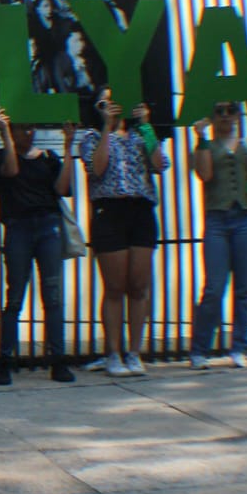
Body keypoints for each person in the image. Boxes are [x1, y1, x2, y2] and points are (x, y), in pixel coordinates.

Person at [80, 88, 169, 377]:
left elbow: (160, 164)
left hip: (140, 210)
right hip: (110, 211)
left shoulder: (140, 135)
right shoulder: (91, 137)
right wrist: (107, 126)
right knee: (115, 286)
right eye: (105, 102)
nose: (113, 106)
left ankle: (134, 352)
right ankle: (113, 353)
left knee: (139, 285)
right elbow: (97, 168)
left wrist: (146, 124)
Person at [0, 111, 76, 385]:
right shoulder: (2, 157)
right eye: (22, 128)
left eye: (31, 127)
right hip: (19, 226)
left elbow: (63, 189)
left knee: (52, 295)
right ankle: (5, 361)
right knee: (14, 297)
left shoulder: (48, 158)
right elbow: (11, 172)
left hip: (47, 225)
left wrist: (69, 148)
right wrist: (5, 134)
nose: (29, 133)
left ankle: (58, 360)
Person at [188, 102, 247, 368]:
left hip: (246, 217)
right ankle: (199, 349)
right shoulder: (205, 146)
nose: (225, 115)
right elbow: (205, 174)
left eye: (230, 110)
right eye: (219, 111)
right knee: (214, 287)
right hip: (217, 219)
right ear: (213, 117)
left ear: (239, 115)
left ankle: (239, 347)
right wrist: (201, 139)